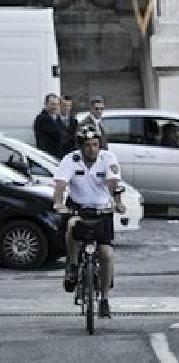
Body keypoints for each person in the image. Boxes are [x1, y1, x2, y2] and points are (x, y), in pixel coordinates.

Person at [53, 124, 126, 318]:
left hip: (102, 210)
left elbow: (113, 182)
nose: (92, 149)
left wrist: (118, 203)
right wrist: (59, 203)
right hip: (78, 208)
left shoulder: (108, 158)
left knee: (106, 253)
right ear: (81, 146)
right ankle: (73, 265)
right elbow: (60, 183)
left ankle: (104, 300)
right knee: (71, 225)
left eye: (95, 144)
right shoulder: (71, 160)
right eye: (87, 145)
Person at [33, 93, 64, 158]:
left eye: (57, 104)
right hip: (47, 156)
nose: (55, 107)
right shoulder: (42, 118)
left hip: (58, 155)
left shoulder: (57, 117)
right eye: (52, 104)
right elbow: (58, 134)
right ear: (46, 104)